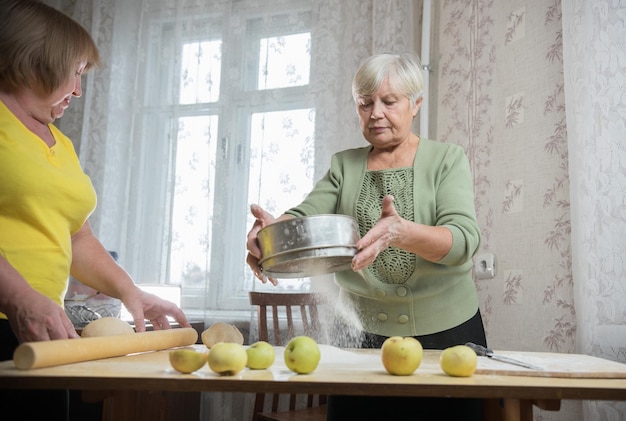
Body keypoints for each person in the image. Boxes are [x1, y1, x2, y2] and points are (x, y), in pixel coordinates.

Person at [246, 52, 488, 420]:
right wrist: (269, 234)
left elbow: (462, 241)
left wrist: (400, 232)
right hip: (362, 339)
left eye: (389, 101)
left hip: (448, 336)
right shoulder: (345, 165)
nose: (376, 113)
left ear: (416, 104)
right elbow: (304, 216)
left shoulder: (447, 160)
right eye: (365, 103)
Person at [0, 1, 190, 419]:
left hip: (42, 327)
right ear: (35, 62)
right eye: (76, 73)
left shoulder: (60, 144)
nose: (79, 90)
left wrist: (130, 291)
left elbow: (77, 235)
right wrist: (18, 297)